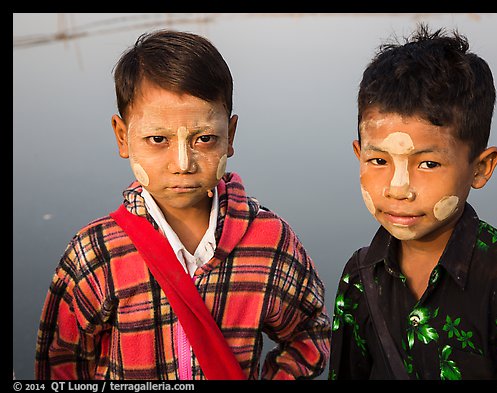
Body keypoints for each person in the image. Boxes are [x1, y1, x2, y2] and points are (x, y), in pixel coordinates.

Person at [35, 29, 330, 380]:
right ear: (122, 136)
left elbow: (310, 333)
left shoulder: (268, 241)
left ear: (230, 136)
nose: (182, 163)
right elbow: (61, 363)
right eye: (157, 139)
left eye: (204, 139)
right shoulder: (96, 253)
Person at [328, 23, 497, 380]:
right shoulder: (359, 279)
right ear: (358, 154)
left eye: (429, 164)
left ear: (480, 168)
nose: (398, 188)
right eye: (378, 161)